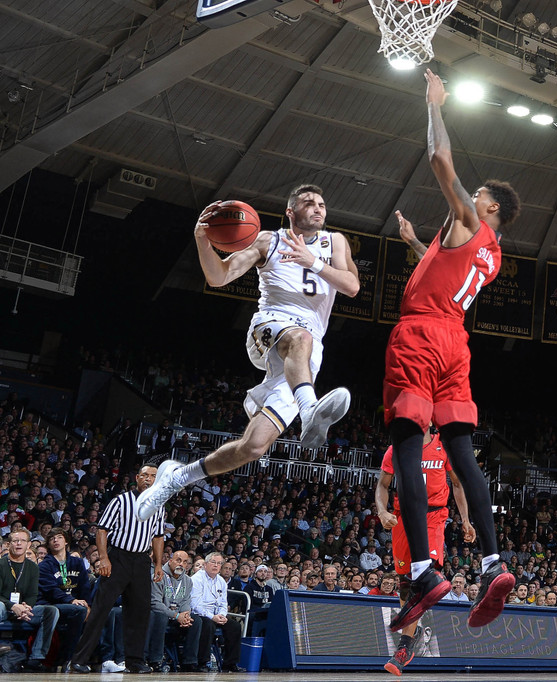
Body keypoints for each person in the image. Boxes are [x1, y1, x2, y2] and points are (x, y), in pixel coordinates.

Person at [383, 68, 521, 634]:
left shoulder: (469, 216)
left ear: (487, 209)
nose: (472, 196)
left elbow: (440, 160)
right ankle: (492, 563)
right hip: (455, 343)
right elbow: (449, 269)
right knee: (463, 453)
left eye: (479, 195)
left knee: (408, 446)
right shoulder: (489, 250)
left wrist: (436, 105)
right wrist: (418, 242)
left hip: (420, 336)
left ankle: (423, 569)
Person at [136, 184, 361, 521]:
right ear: (290, 212)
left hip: (308, 352)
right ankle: (309, 409)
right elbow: (218, 276)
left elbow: (352, 286)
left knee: (254, 447)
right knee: (299, 337)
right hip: (270, 327)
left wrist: (312, 262)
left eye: (321, 203)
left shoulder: (335, 243)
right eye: (308, 202)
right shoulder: (268, 241)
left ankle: (178, 477)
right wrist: (202, 239)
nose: (317, 208)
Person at [376, 427, 474, 676]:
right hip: (403, 517)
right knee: (406, 583)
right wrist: (382, 511)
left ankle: (404, 646)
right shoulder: (397, 448)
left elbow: (458, 484)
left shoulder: (445, 447)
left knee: (424, 575)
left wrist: (465, 519)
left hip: (433, 515)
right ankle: (413, 629)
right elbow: (382, 485)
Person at [69, 463, 165, 674]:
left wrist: (158, 564)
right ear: (137, 478)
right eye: (145, 475)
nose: (149, 479)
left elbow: (158, 536)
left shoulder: (159, 504)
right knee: (101, 609)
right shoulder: (121, 500)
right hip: (118, 557)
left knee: (140, 612)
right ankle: (80, 658)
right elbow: (102, 530)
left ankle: (135, 661)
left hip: (141, 561)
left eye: (153, 476)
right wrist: (104, 558)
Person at [0, 528, 59, 671]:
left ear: (28, 544)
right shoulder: (1, 564)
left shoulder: (33, 567)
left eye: (23, 541)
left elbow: (33, 595)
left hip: (23, 610)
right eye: (15, 541)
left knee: (51, 611)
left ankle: (36, 658)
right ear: (9, 544)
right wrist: (13, 606)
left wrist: (26, 608)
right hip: (4, 607)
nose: (19, 544)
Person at [37, 529, 89, 671]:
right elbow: (51, 591)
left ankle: (101, 659)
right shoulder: (44, 565)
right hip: (52, 605)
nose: (55, 540)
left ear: (66, 541)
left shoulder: (77, 562)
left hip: (77, 604)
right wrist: (71, 600)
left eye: (59, 537)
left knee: (98, 615)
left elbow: (84, 587)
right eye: (52, 538)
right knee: (78, 611)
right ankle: (69, 658)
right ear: (48, 543)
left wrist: (88, 605)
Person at [146, 550, 200, 671]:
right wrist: (176, 615)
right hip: (161, 615)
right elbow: (155, 603)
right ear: (170, 561)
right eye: (178, 560)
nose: (181, 564)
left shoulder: (187, 580)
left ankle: (189, 662)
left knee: (196, 621)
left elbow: (186, 601)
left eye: (185, 562)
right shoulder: (158, 576)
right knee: (160, 616)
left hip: (177, 617)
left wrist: (185, 615)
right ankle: (155, 660)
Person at [190, 552, 241, 672]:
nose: (216, 565)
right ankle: (202, 662)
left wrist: (222, 615)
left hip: (216, 614)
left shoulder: (221, 581)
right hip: (200, 614)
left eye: (219, 563)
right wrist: (212, 617)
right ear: (206, 564)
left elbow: (224, 603)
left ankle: (230, 663)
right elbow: (195, 605)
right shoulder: (196, 579)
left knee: (235, 626)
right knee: (208, 624)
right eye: (213, 562)